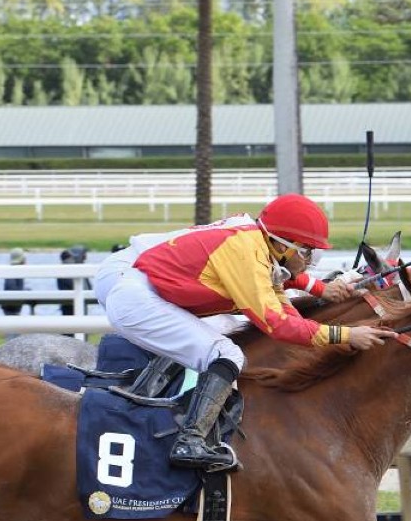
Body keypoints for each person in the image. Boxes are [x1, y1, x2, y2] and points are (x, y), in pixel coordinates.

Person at [93, 193, 392, 473]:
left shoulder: (258, 247)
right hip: (135, 296)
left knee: (210, 341)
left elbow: (284, 301)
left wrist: (320, 290)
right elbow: (280, 326)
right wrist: (346, 335)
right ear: (281, 244)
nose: (310, 259)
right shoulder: (246, 253)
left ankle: (146, 396)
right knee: (226, 352)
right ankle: (189, 441)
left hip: (140, 290)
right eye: (306, 250)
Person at [57, 244, 89, 316]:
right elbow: (84, 288)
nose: (85, 258)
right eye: (83, 255)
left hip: (76, 305)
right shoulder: (68, 268)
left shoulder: (80, 268)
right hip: (70, 307)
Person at [0, 247, 29, 316]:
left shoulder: (16, 271)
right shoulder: (14, 272)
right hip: (11, 310)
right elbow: (11, 290)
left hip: (13, 309)